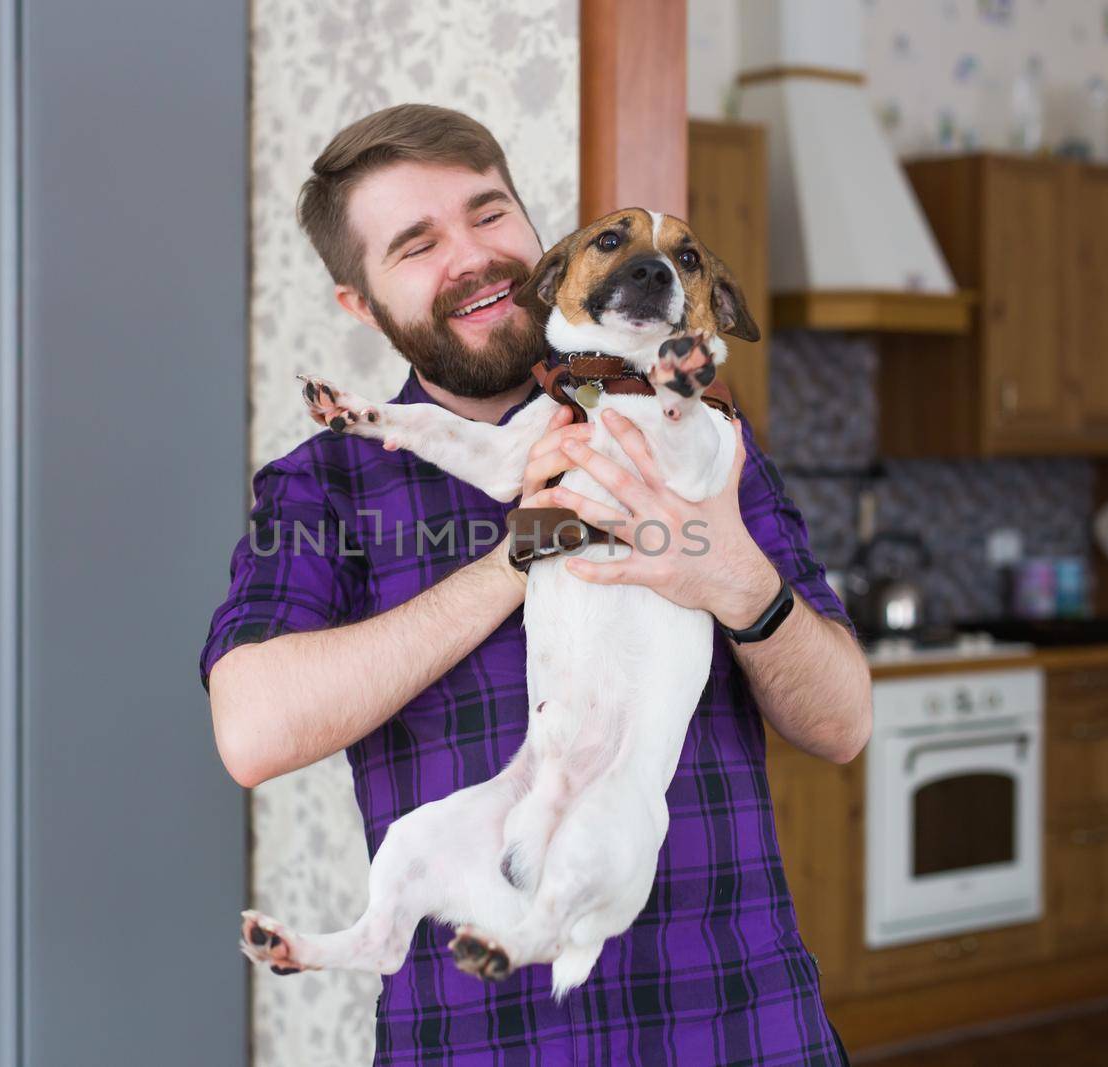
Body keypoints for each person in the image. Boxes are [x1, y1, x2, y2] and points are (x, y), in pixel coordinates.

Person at [201, 103, 872, 1066]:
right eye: (417, 243)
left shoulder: (696, 439)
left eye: (488, 213)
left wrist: (739, 583)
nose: (471, 257)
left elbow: (844, 723)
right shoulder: (324, 485)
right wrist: (520, 553)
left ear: (541, 240)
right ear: (362, 301)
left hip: (741, 1020)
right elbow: (252, 730)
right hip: (483, 1041)